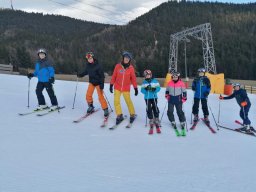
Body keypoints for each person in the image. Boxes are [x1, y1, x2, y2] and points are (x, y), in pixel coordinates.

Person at [109, 51, 138, 125]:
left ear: (129, 60)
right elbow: (114, 76)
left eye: (128, 58)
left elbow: (133, 79)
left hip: (126, 88)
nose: (126, 59)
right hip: (117, 87)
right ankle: (119, 115)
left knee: (128, 101)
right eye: (125, 58)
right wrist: (111, 84)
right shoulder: (117, 66)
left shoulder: (131, 68)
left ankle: (132, 114)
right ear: (123, 58)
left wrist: (135, 88)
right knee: (116, 101)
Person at [77, 52, 109, 117]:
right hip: (92, 82)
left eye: (90, 58)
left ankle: (105, 109)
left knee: (100, 97)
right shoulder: (88, 65)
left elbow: (102, 76)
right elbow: (86, 72)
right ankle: (91, 106)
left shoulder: (98, 65)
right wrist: (80, 75)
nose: (90, 60)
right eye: (88, 59)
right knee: (88, 95)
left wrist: (102, 85)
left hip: (98, 83)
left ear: (93, 58)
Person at [165, 72, 187, 136]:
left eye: (176, 77)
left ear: (178, 77)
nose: (175, 78)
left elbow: (184, 92)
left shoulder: (181, 83)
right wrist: (167, 96)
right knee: (170, 111)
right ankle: (172, 121)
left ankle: (182, 121)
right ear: (172, 77)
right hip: (171, 99)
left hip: (178, 99)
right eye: (173, 77)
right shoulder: (169, 83)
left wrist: (184, 98)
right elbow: (167, 91)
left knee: (179, 111)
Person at [141, 69, 161, 134]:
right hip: (147, 98)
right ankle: (151, 119)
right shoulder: (144, 82)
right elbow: (142, 90)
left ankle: (156, 118)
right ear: (145, 76)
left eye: (149, 75)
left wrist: (154, 89)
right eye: (146, 75)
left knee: (155, 107)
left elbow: (158, 88)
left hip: (154, 97)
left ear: (151, 75)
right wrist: (146, 90)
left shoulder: (155, 81)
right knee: (148, 108)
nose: (148, 76)